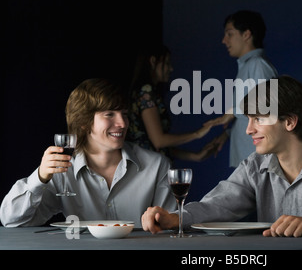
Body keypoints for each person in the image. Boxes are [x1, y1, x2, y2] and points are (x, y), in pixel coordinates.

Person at [141, 75, 302, 237]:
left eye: (258, 119)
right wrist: (176, 218)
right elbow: (217, 205)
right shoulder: (255, 165)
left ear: (290, 121)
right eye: (249, 120)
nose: (248, 130)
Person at [0, 78, 176, 228]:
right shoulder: (63, 169)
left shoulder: (157, 165)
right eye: (109, 115)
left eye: (124, 114)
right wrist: (39, 177)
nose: (122, 123)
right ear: (84, 122)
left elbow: (170, 228)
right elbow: (12, 220)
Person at [206, 10, 278, 168]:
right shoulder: (248, 66)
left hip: (258, 165)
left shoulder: (257, 65)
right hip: (250, 164)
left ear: (246, 35)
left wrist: (231, 113)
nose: (224, 40)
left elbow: (266, 109)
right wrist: (229, 133)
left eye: (229, 34)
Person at [127, 45, 216, 162]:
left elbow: (159, 146)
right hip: (150, 170)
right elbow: (158, 141)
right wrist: (197, 134)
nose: (171, 69)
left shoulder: (147, 92)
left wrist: (195, 156)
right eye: (167, 63)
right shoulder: (146, 92)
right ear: (153, 61)